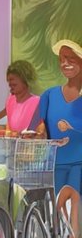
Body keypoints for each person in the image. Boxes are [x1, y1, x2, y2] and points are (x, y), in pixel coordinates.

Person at [31, 40, 82, 202]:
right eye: (61, 59)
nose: (64, 63)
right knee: (59, 213)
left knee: (73, 207)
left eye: (70, 58)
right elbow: (38, 127)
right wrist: (40, 131)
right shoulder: (49, 95)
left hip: (80, 164)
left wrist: (71, 128)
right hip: (55, 164)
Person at [0, 60, 40, 134]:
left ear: (25, 80)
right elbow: (0, 117)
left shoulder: (37, 102)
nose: (10, 83)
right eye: (9, 81)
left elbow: (39, 131)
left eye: (13, 82)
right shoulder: (10, 100)